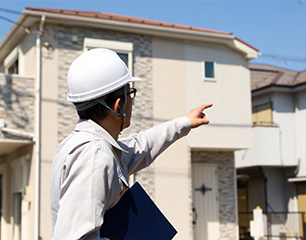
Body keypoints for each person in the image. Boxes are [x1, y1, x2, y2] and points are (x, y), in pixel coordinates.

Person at [50, 48, 212, 240]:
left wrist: (184, 122)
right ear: (118, 105)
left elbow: (139, 146)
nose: (132, 102)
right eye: (131, 93)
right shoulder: (94, 156)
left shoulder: (87, 145)